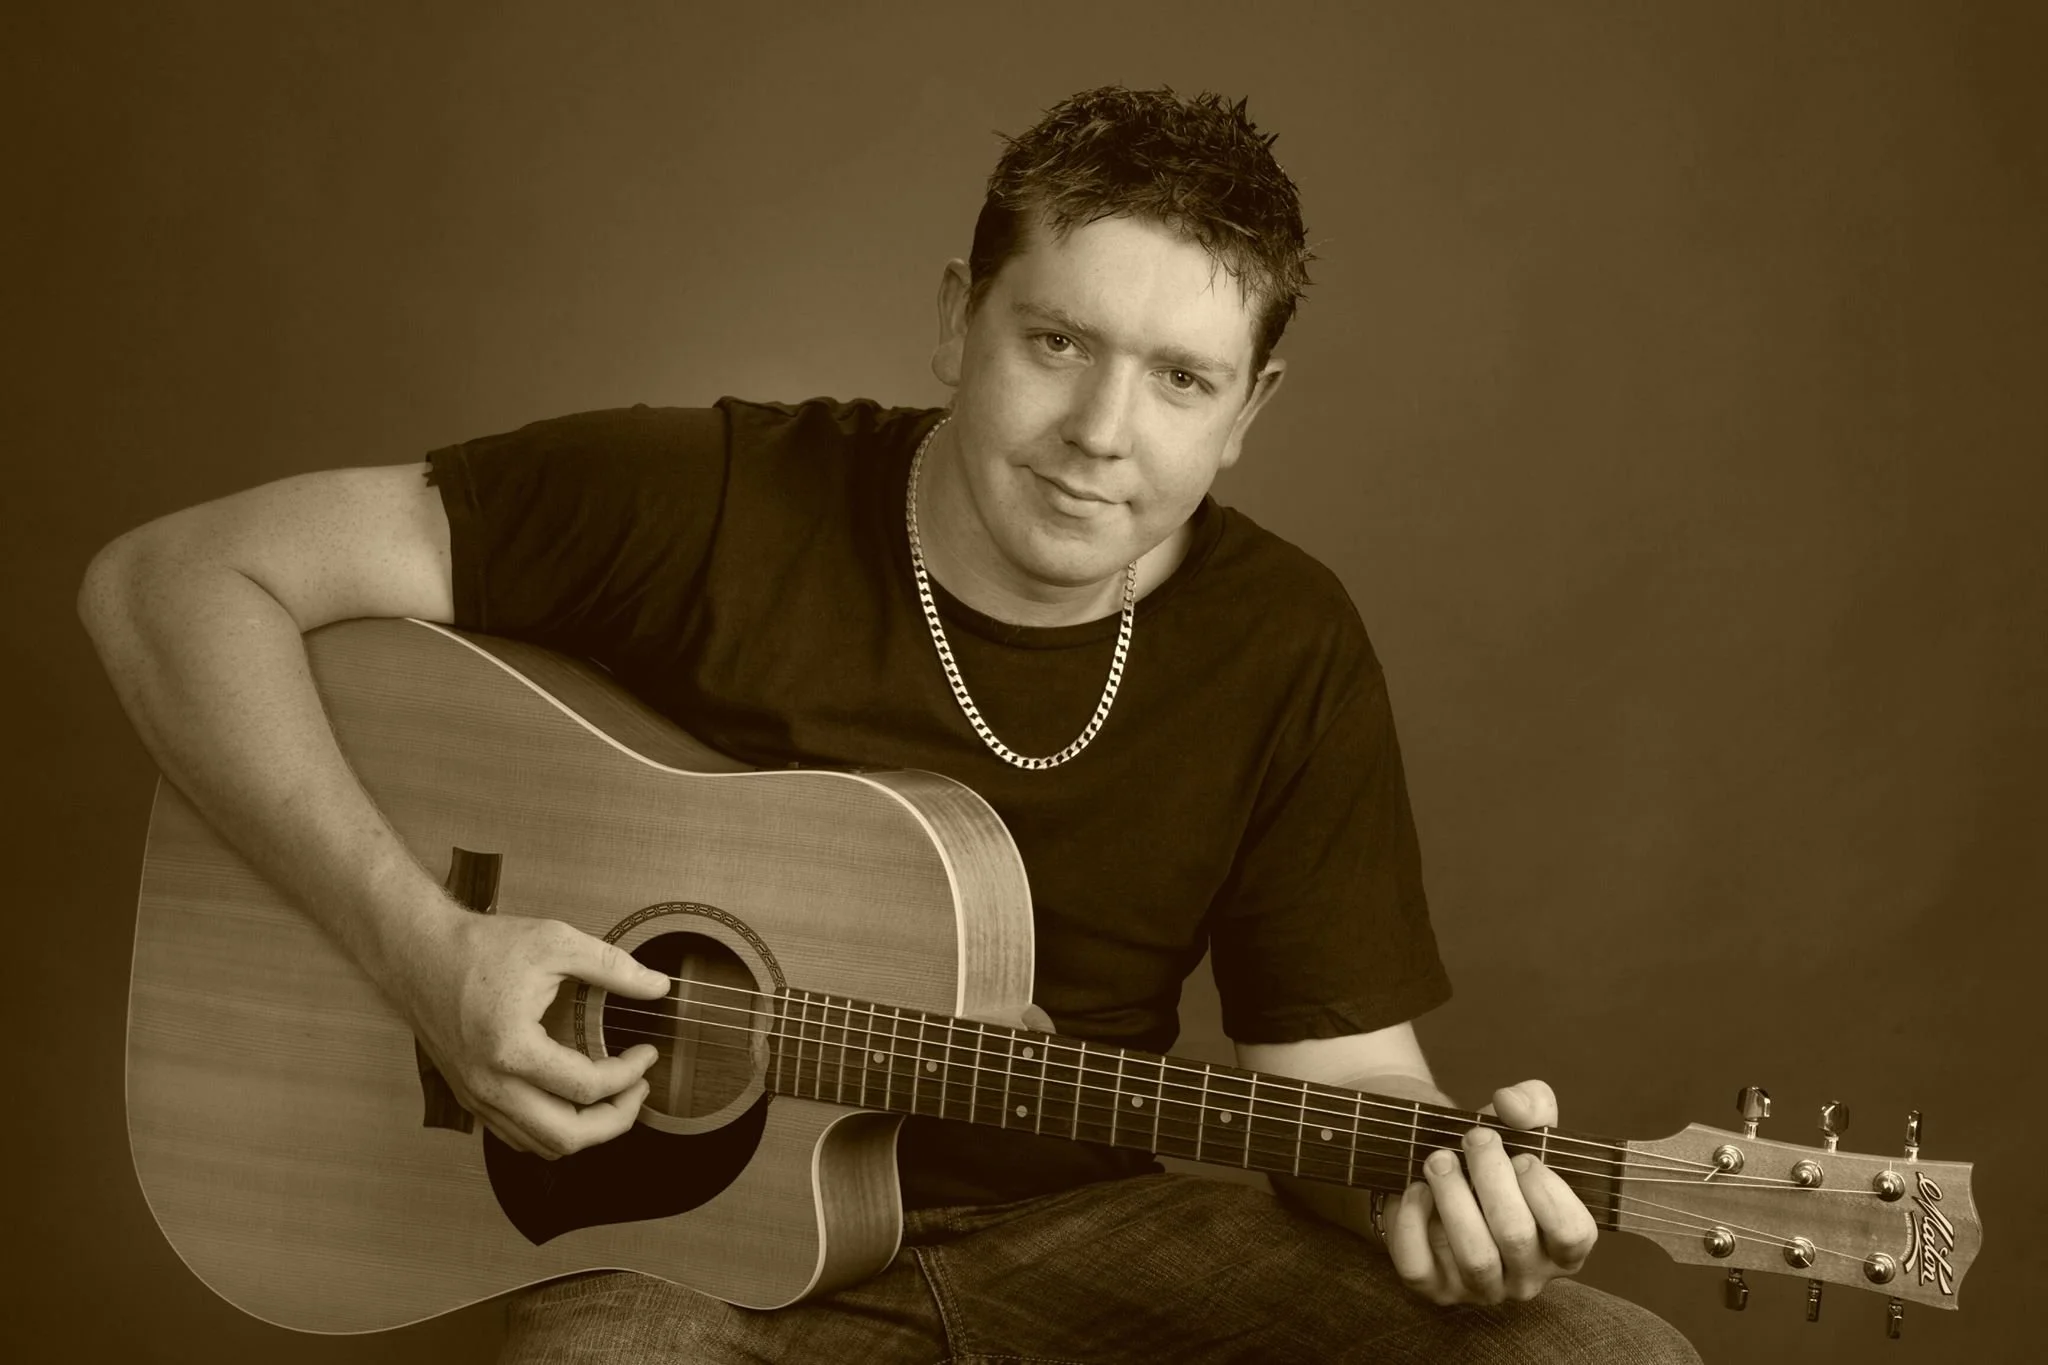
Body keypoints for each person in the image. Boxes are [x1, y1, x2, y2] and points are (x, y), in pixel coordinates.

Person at [80, 87, 1699, 1363]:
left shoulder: (1287, 640)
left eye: (1181, 381)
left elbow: (1338, 1077)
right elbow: (168, 583)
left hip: (1094, 1245)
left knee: (1607, 1358)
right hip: (693, 1267)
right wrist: (422, 950)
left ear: (1250, 412)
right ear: (955, 319)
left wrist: (1446, 1192)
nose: (1101, 433)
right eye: (1056, 341)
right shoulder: (712, 498)